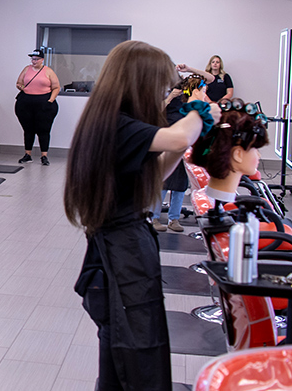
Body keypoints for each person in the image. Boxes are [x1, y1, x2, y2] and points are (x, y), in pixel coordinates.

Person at [65, 40, 220, 391]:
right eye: (161, 87)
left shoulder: (119, 122)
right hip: (118, 260)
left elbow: (153, 177)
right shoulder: (116, 124)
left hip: (123, 252)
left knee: (125, 367)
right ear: (140, 83)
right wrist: (199, 112)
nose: (163, 95)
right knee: (131, 368)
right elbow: (179, 133)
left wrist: (180, 146)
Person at [151, 74, 209, 233]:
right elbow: (155, 112)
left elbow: (208, 79)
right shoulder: (167, 97)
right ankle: (154, 216)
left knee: (181, 183)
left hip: (185, 142)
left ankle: (173, 218)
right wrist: (170, 97)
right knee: (163, 181)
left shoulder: (190, 101)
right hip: (167, 138)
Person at [191, 101, 269, 201]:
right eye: (255, 149)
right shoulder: (239, 213)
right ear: (238, 154)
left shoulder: (208, 202)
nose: (258, 155)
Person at [15, 48, 61, 165]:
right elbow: (18, 83)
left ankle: (44, 156)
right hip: (26, 103)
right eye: (32, 59)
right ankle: (28, 154)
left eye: (36, 59)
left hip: (44, 103)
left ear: (42, 60)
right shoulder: (26, 69)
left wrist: (50, 100)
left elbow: (56, 87)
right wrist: (22, 88)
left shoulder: (48, 71)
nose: (33, 61)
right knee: (28, 129)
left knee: (44, 130)